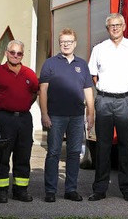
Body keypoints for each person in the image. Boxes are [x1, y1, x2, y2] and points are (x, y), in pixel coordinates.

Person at [87, 13, 128, 202]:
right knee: (102, 147)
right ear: (107, 29)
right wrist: (105, 91)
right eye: (111, 25)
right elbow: (93, 76)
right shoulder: (99, 49)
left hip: (126, 100)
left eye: (118, 25)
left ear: (124, 26)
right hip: (104, 100)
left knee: (125, 146)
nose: (115, 28)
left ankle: (127, 190)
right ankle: (100, 189)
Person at [39, 28, 95, 203]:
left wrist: (91, 113)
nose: (66, 44)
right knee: (54, 153)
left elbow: (88, 90)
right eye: (63, 42)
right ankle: (50, 190)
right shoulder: (50, 63)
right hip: (55, 116)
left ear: (75, 44)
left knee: (74, 153)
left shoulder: (82, 64)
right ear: (59, 43)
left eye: (69, 42)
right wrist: (44, 114)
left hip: (77, 116)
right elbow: (43, 90)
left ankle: (71, 190)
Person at [0, 40, 39, 203]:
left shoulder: (29, 74)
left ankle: (21, 191)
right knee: (2, 156)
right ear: (6, 53)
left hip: (24, 119)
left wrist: (24, 104)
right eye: (12, 52)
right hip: (4, 118)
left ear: (22, 55)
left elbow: (35, 93)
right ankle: (1, 191)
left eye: (19, 53)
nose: (15, 55)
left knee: (23, 155)